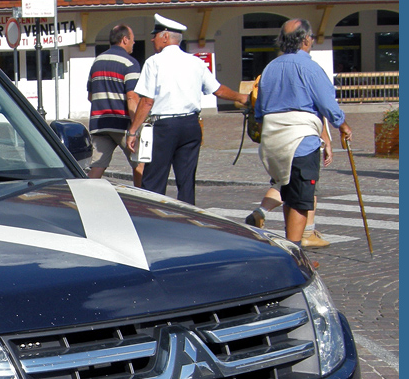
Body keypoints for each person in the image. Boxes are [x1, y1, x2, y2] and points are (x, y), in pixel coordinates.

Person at [126, 14, 249, 205]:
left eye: (156, 35)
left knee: (154, 179)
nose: (152, 39)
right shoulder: (196, 62)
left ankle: (151, 219)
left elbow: (147, 101)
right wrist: (242, 97)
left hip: (165, 126)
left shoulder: (154, 62)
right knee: (186, 180)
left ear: (165, 37)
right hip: (190, 124)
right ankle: (187, 219)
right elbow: (218, 90)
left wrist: (133, 130)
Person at [255, 17, 351, 247]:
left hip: (274, 139)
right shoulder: (309, 67)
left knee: (289, 194)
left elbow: (259, 108)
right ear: (306, 40)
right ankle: (295, 253)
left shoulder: (270, 68)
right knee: (299, 199)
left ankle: (292, 246)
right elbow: (327, 103)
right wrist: (342, 125)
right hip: (300, 139)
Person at [245, 123, 332, 247]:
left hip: (279, 141)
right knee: (307, 187)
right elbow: (317, 116)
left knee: (283, 183)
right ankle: (307, 234)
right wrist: (327, 140)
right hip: (304, 144)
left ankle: (260, 212)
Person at [86, 23, 142, 187]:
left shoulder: (97, 62)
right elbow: (131, 97)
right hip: (122, 123)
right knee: (139, 162)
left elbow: (91, 95)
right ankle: (142, 199)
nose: (134, 43)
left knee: (97, 165)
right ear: (125, 40)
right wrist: (135, 128)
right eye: (132, 40)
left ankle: (86, 197)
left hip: (99, 123)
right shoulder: (130, 63)